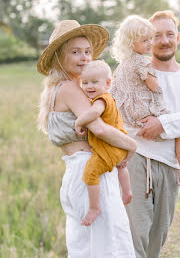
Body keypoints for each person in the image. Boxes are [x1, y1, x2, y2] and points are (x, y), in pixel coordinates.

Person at [37, 20, 136, 257]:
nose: (84, 57)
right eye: (75, 52)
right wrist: (131, 144)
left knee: (84, 246)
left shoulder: (55, 89)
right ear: (60, 57)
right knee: (109, 243)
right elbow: (99, 129)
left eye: (87, 51)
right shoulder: (71, 89)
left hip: (74, 174)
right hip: (90, 171)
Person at [111, 11, 180, 258]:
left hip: (171, 164)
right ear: (144, 39)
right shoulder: (131, 69)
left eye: (169, 34)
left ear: (178, 37)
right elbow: (111, 104)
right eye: (155, 36)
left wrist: (161, 123)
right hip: (136, 158)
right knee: (135, 236)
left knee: (158, 238)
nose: (162, 41)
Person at [74, 60, 133, 226]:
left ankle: (94, 207)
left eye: (94, 82)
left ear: (108, 83)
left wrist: (79, 122)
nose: (89, 86)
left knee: (90, 173)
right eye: (84, 82)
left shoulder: (100, 100)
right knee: (122, 166)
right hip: (120, 147)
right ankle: (127, 191)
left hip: (109, 148)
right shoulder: (110, 98)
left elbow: (94, 113)